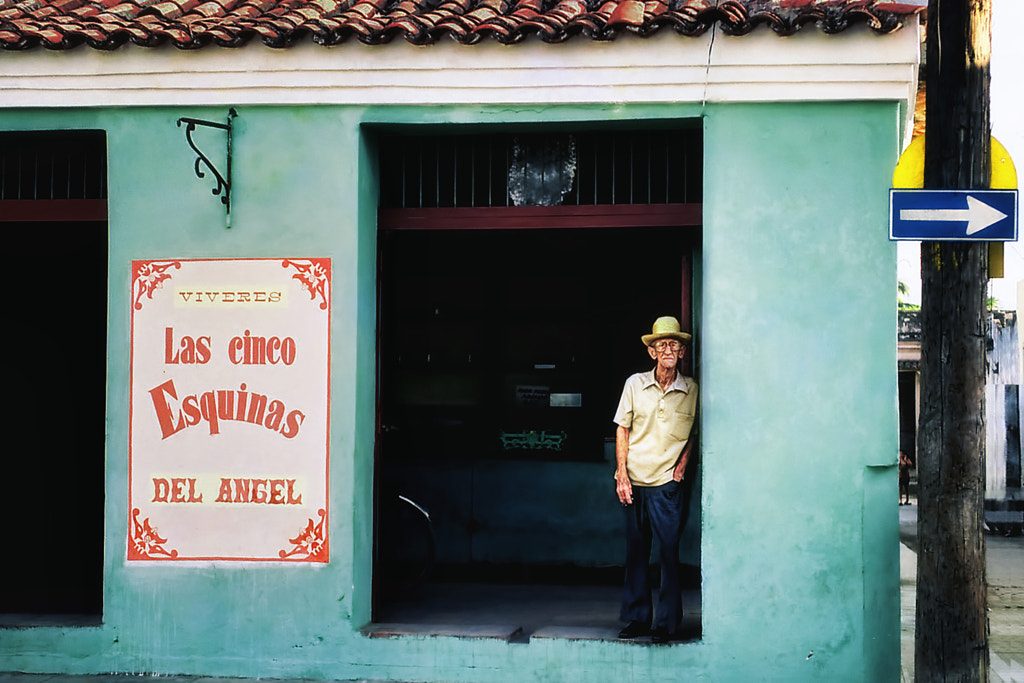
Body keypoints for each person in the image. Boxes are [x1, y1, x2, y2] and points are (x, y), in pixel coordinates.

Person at [613, 316, 698, 644]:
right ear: (651, 352)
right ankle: (637, 619)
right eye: (661, 345)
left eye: (674, 345)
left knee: (668, 552)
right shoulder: (635, 383)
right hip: (633, 481)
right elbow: (622, 427)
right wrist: (621, 471)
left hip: (667, 485)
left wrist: (683, 466)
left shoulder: (691, 390)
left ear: (682, 352)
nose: (668, 350)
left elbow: (695, 432)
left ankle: (666, 624)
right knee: (636, 551)